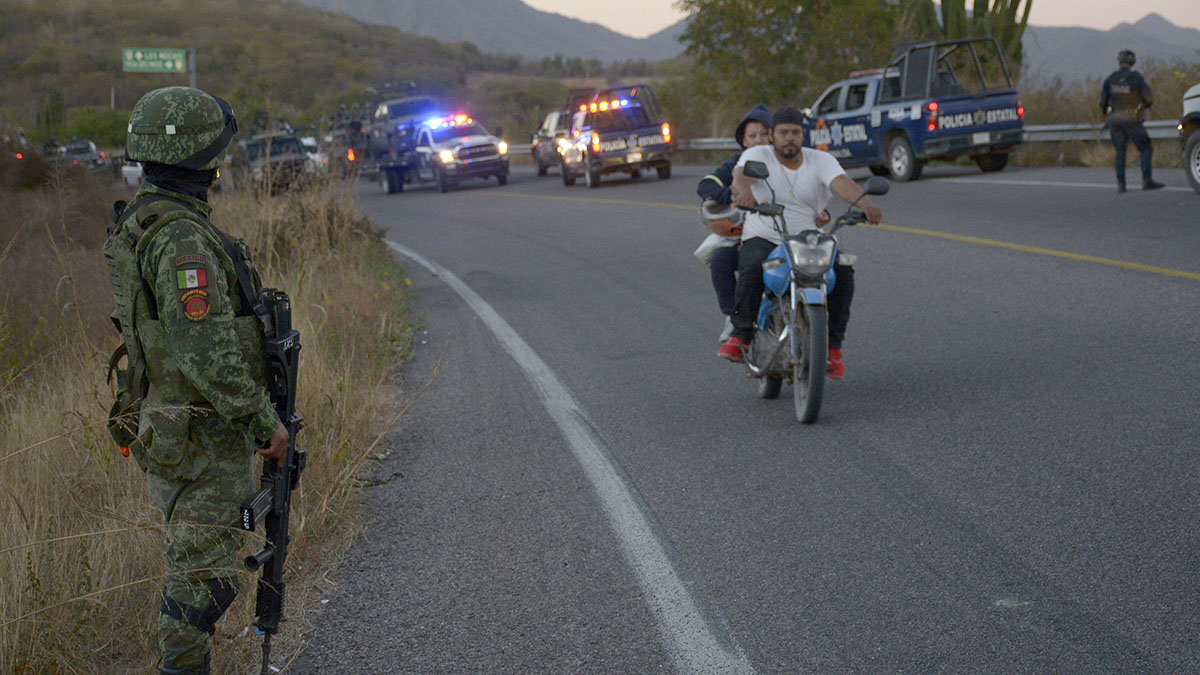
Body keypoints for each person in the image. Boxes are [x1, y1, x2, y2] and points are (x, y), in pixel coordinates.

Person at [104, 86, 287, 674]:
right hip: (199, 435)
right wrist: (264, 421)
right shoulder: (182, 238)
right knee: (203, 582)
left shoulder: (146, 218)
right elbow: (204, 348)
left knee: (198, 569)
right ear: (198, 157)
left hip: (176, 427)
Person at [717, 106, 882, 379]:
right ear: (772, 135)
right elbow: (740, 177)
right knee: (751, 264)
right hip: (767, 233)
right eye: (783, 133)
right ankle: (741, 334)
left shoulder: (820, 160)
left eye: (795, 132)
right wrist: (745, 193)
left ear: (803, 135)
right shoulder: (758, 155)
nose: (789, 138)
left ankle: (832, 348)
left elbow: (841, 182)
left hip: (810, 238)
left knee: (843, 272)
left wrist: (865, 203)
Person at [695, 103, 773, 341]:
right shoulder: (736, 164)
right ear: (744, 140)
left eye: (764, 134)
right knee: (720, 259)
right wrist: (731, 194)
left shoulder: (787, 159)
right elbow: (706, 185)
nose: (759, 140)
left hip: (787, 232)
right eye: (752, 135)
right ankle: (734, 317)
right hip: (749, 235)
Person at [1100, 49, 1164, 192]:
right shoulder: (1136, 78)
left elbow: (1103, 101)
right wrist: (1145, 107)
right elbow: (1148, 97)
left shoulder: (1111, 78)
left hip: (1114, 119)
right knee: (1145, 147)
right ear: (1132, 62)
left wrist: (1106, 113)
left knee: (1120, 150)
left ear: (1119, 62)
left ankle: (1121, 185)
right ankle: (1147, 181)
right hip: (1131, 118)